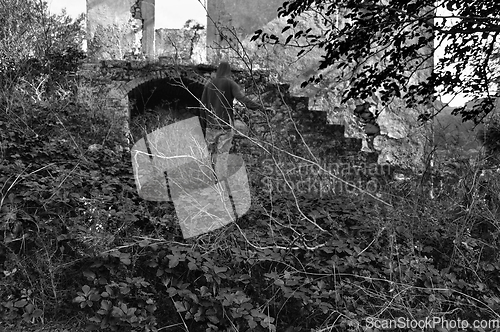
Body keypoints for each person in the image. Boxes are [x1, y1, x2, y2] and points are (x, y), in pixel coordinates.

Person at [200, 61, 269, 181]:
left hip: (211, 126)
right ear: (228, 71)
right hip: (225, 126)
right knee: (222, 156)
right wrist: (260, 107)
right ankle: (220, 185)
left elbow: (202, 107)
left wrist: (203, 126)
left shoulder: (209, 85)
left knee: (209, 154)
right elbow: (243, 99)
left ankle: (208, 180)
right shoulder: (230, 84)